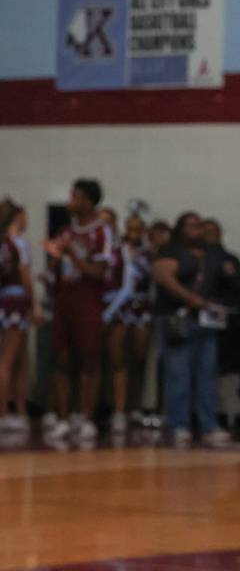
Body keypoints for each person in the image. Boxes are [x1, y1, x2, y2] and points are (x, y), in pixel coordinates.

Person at [43, 178, 115, 441]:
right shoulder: (65, 230)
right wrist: (53, 260)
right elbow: (57, 268)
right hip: (65, 297)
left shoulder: (101, 232)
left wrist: (73, 255)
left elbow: (99, 272)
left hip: (89, 298)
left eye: (75, 196)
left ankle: (86, 417)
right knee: (60, 358)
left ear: (87, 201)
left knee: (90, 358)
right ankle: (63, 417)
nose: (70, 201)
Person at [152, 213, 229, 447]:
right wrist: (191, 299)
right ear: (181, 229)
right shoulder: (171, 251)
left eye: (199, 226)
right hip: (179, 319)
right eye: (192, 226)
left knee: (207, 374)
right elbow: (164, 277)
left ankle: (208, 424)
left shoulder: (212, 253)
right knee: (179, 374)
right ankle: (179, 425)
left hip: (207, 321)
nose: (197, 230)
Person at [102, 210, 155, 435]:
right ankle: (119, 409)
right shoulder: (119, 251)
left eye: (139, 228)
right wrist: (109, 311)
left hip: (140, 308)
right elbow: (123, 284)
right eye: (131, 228)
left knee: (139, 359)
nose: (134, 233)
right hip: (120, 307)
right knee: (118, 358)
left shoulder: (148, 253)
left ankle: (134, 406)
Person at [209, 220, 240, 416]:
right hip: (212, 317)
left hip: (235, 316)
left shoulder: (230, 259)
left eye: (214, 232)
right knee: (212, 365)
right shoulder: (201, 260)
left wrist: (231, 276)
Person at [0, 200, 40, 432]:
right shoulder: (18, 243)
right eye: (25, 216)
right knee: (8, 359)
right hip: (16, 302)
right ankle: (4, 412)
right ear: (17, 217)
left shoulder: (3, 243)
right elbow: (25, 276)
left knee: (21, 357)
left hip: (5, 301)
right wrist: (33, 304)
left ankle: (20, 408)